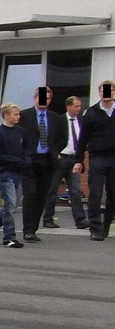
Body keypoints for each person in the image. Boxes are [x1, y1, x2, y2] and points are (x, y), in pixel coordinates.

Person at [75, 80, 115, 241]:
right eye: (103, 91)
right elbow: (83, 138)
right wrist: (79, 160)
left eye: (110, 90)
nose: (106, 94)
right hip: (97, 157)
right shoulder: (91, 113)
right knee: (96, 193)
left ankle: (105, 226)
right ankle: (95, 228)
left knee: (113, 193)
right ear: (99, 93)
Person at [42, 96, 88, 230]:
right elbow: (51, 138)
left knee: (75, 190)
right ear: (68, 107)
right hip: (61, 157)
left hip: (75, 158)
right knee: (53, 189)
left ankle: (80, 220)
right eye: (76, 106)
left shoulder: (81, 121)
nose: (78, 109)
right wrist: (55, 154)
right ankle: (48, 218)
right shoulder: (59, 120)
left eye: (80, 106)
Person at [18, 89, 57, 241]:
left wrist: (56, 152)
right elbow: (17, 137)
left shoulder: (54, 117)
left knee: (42, 196)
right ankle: (27, 229)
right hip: (29, 160)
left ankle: (33, 229)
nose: (44, 101)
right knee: (30, 194)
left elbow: (61, 137)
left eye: (47, 98)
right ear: (34, 98)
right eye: (41, 98)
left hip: (46, 160)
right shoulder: (24, 116)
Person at [0, 102, 27, 248]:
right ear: (6, 115)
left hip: (17, 172)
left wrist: (25, 161)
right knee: (10, 203)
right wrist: (16, 160)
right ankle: (9, 237)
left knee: (14, 203)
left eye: (18, 114)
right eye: (15, 114)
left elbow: (25, 149)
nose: (18, 116)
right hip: (4, 172)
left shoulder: (20, 131)